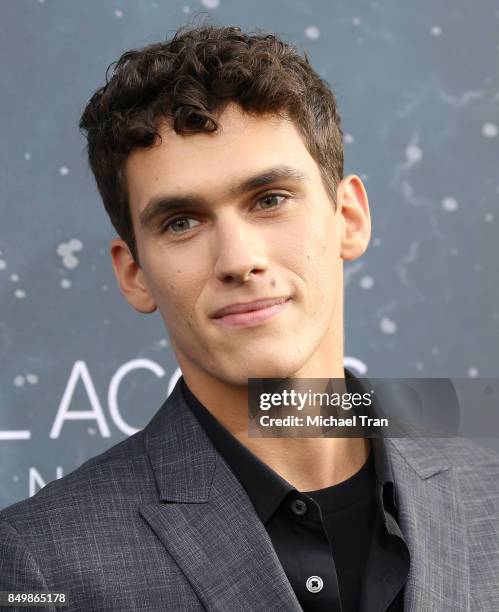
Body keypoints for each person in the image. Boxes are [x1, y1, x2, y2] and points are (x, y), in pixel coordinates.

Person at [1, 23, 498, 612]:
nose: (239, 261)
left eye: (269, 200)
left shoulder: (490, 488)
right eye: (181, 222)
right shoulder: (43, 558)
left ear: (349, 217)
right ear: (134, 273)